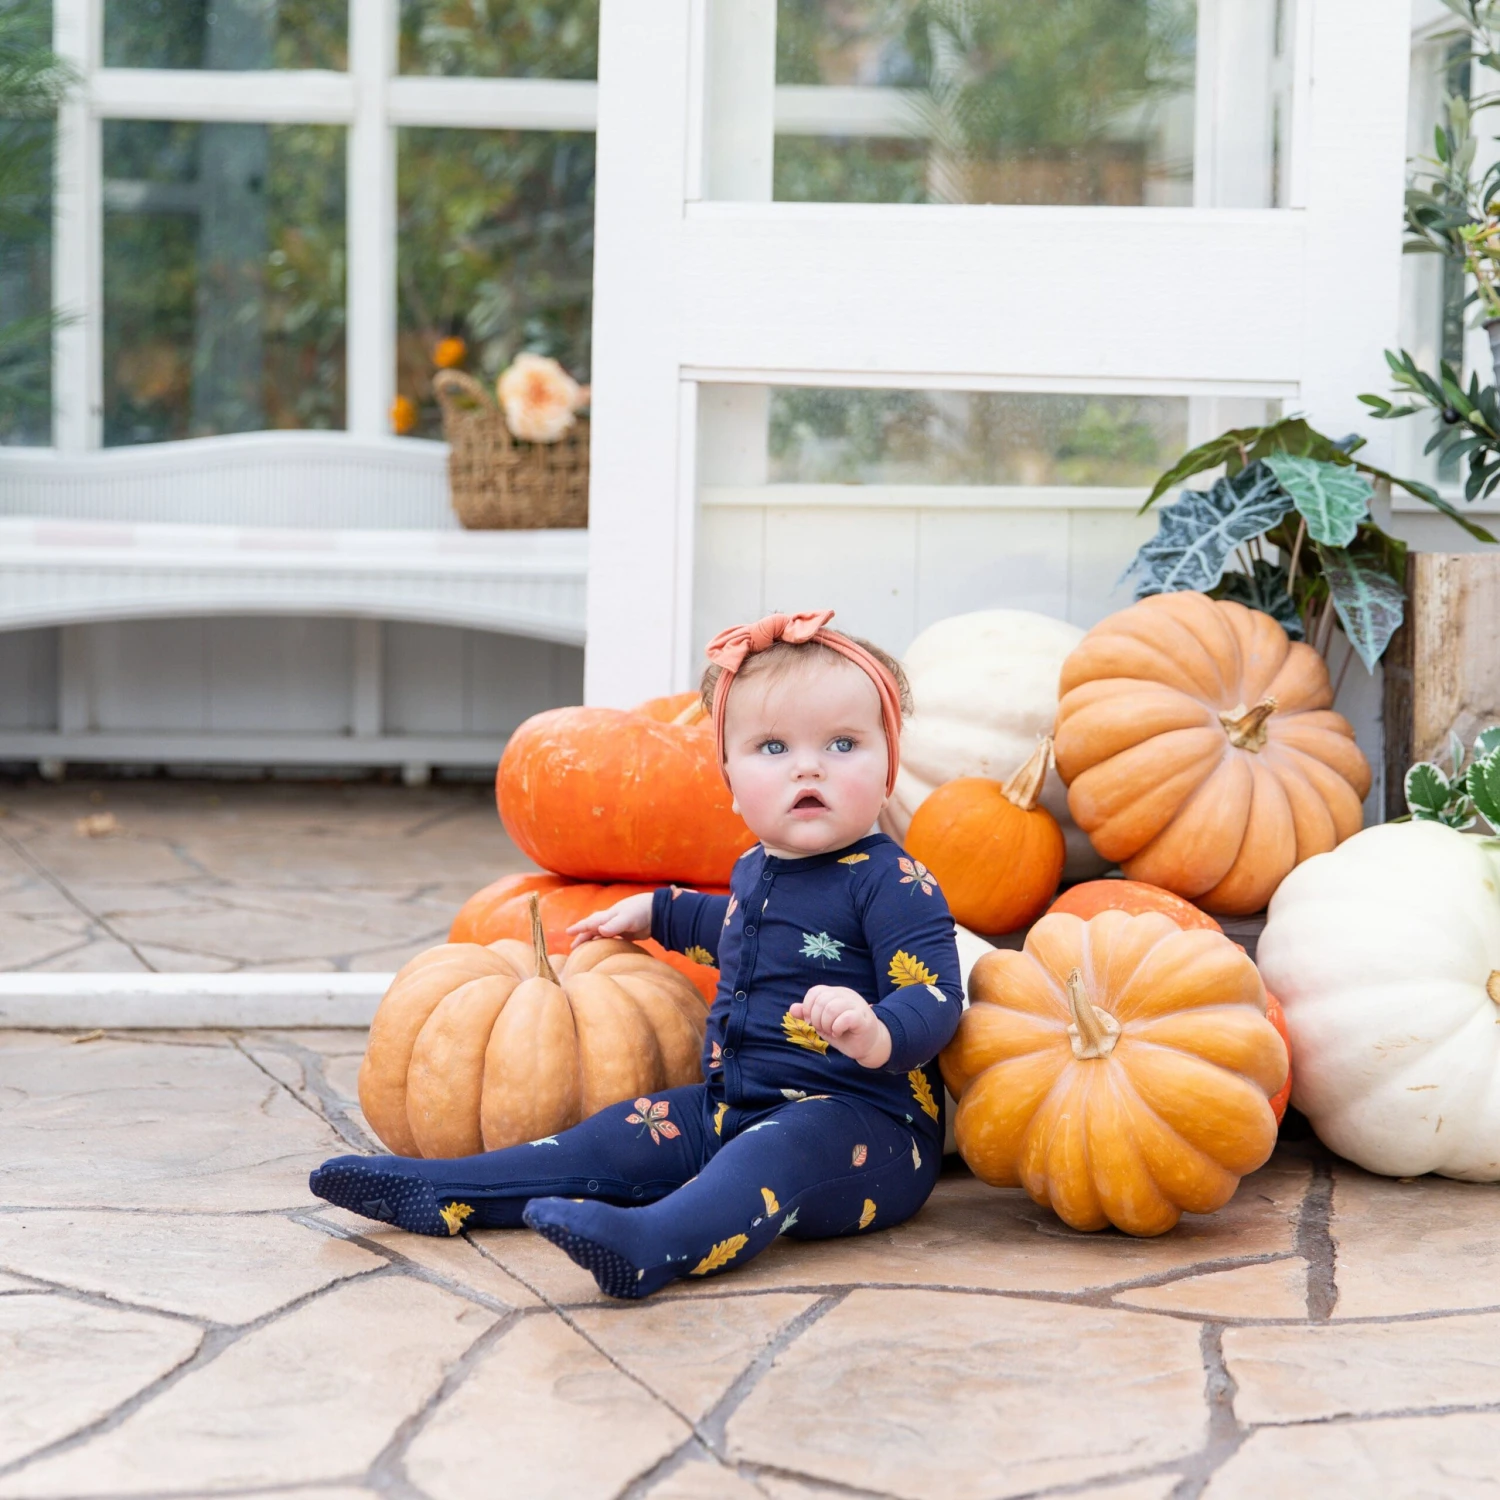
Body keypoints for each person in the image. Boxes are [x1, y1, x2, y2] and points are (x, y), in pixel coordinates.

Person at [310, 610, 963, 1299]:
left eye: (842, 743)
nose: (808, 765)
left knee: (773, 1155)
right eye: (773, 748)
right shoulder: (755, 868)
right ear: (730, 781)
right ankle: (449, 1190)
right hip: (730, 1107)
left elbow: (936, 997)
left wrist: (876, 1029)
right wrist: (661, 911)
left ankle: (654, 1243)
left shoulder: (894, 882)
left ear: (889, 766)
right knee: (616, 1135)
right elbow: (737, 928)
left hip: (863, 1131)